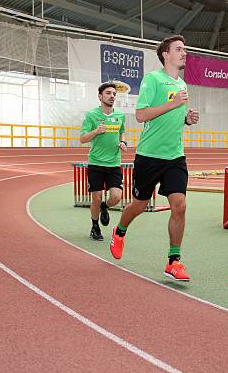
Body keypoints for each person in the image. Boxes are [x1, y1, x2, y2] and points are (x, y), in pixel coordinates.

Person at [109, 35, 199, 282]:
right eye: (179, 49)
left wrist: (186, 119)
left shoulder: (182, 85)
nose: (184, 53)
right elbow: (141, 115)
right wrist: (172, 104)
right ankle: (120, 230)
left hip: (175, 156)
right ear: (166, 54)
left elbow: (174, 115)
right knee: (139, 204)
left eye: (185, 49)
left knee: (179, 206)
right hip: (149, 156)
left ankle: (174, 261)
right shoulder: (152, 79)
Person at [80, 83, 127, 241]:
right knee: (96, 197)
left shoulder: (120, 116)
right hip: (96, 163)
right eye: (108, 93)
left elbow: (122, 132)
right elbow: (82, 139)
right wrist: (96, 131)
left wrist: (123, 143)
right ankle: (95, 226)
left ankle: (104, 207)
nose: (112, 96)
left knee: (116, 197)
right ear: (100, 96)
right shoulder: (91, 115)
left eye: (114, 93)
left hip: (114, 163)